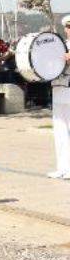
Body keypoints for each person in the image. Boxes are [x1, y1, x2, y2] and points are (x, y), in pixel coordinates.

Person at [49, 15, 70, 179]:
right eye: (68, 27)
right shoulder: (61, 45)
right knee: (60, 131)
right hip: (58, 89)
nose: (69, 30)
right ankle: (62, 167)